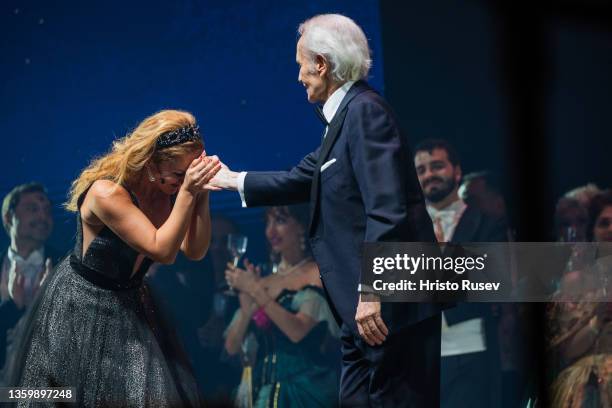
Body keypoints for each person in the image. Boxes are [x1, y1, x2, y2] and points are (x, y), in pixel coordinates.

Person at [208, 13, 441, 407]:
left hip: (387, 307)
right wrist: (229, 179)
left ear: (322, 63)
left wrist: (371, 291)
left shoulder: (365, 111)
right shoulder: (343, 123)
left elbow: (387, 210)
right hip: (358, 311)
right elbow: (296, 179)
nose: (298, 76)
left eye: (301, 63)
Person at [8, 109, 221, 407]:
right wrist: (187, 191)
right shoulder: (107, 193)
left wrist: (201, 193)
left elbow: (195, 250)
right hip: (81, 307)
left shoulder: (167, 189)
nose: (183, 181)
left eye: (190, 173)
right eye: (178, 175)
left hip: (129, 303)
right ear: (151, 162)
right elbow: (162, 250)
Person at [413, 138, 509, 408]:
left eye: (437, 166)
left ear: (457, 172)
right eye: (421, 170)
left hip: (468, 350)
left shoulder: (488, 224)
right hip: (416, 354)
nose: (429, 174)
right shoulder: (407, 230)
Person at [224, 205, 339, 407]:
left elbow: (297, 331)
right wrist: (246, 306)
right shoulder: (265, 280)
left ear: (301, 226)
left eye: (280, 221)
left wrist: (255, 289)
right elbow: (232, 347)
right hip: (261, 389)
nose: (270, 231)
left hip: (304, 389)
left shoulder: (317, 272)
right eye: (267, 222)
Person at [548, 190, 612, 407]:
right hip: (586, 389)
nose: (611, 229)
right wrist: (597, 319)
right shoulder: (576, 281)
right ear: (592, 231)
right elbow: (565, 351)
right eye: (604, 223)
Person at [0, 183, 61, 383]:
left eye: (47, 210)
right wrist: (10, 308)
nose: (43, 217)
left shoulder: (66, 266)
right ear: (9, 218)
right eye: (32, 209)